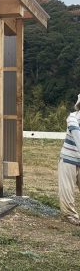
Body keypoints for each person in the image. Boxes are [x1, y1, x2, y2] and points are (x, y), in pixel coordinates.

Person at [58, 93, 80, 225]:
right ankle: (69, 215)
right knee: (66, 190)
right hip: (68, 159)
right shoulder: (73, 118)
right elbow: (78, 137)